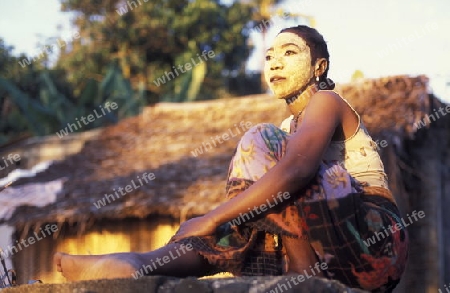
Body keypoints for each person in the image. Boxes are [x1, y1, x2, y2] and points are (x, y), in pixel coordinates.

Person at [54, 25, 408, 292]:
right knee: (247, 216)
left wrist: (210, 218)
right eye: (269, 57)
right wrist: (219, 222)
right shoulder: (289, 126)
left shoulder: (328, 103)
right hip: (328, 244)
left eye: (288, 53)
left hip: (372, 242)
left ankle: (303, 275)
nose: (274, 63)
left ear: (319, 66)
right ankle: (143, 264)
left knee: (261, 142)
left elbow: (299, 170)